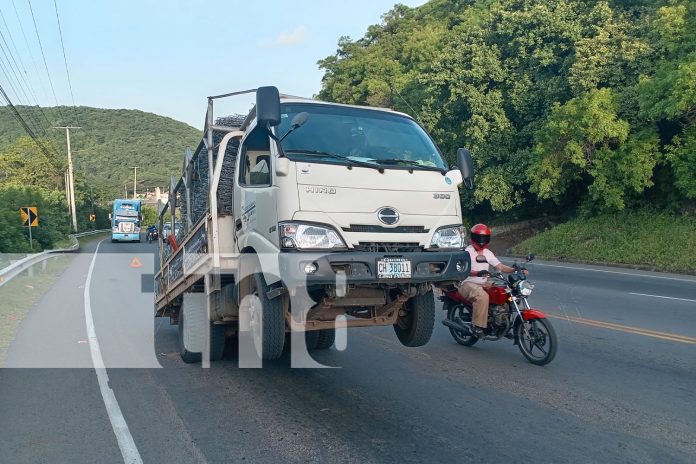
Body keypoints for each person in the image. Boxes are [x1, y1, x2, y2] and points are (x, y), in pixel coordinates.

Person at [457, 223, 524, 338]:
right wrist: (476, 273)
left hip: (484, 282)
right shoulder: (466, 252)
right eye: (479, 238)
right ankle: (477, 326)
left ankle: (501, 321)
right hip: (467, 283)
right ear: (473, 238)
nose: (481, 241)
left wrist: (515, 269)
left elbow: (500, 266)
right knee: (482, 296)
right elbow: (461, 269)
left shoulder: (488, 253)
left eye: (484, 238)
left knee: (504, 291)